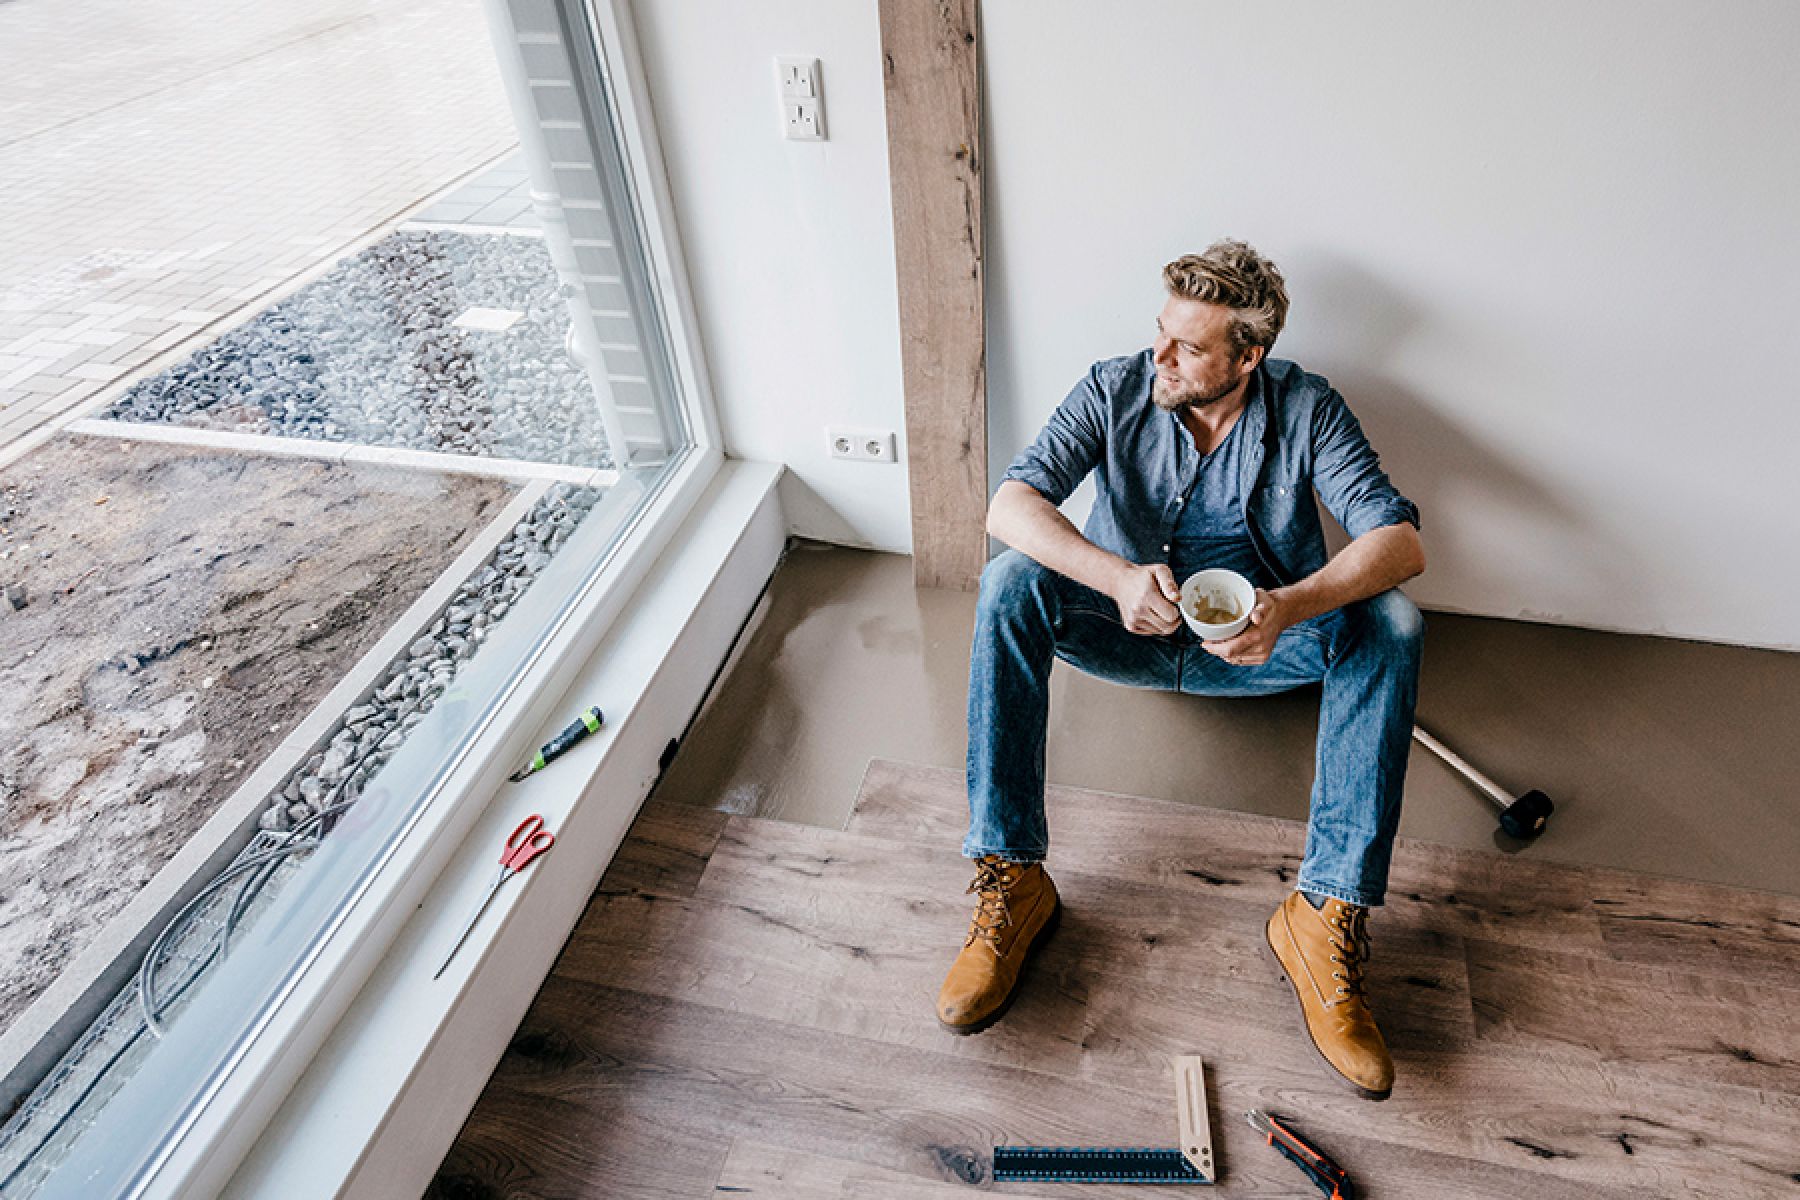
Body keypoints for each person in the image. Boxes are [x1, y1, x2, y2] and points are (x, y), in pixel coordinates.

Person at [935, 240, 1425, 1101]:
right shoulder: (1115, 385)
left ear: (1249, 356)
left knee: (1392, 620)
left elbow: (1399, 542)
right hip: (1125, 626)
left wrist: (1291, 607)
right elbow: (1010, 505)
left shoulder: (1308, 407)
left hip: (1258, 646)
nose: (1159, 357)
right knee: (1009, 579)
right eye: (1160, 333)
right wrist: (1116, 577)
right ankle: (1013, 879)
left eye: (1187, 348)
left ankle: (1322, 917)